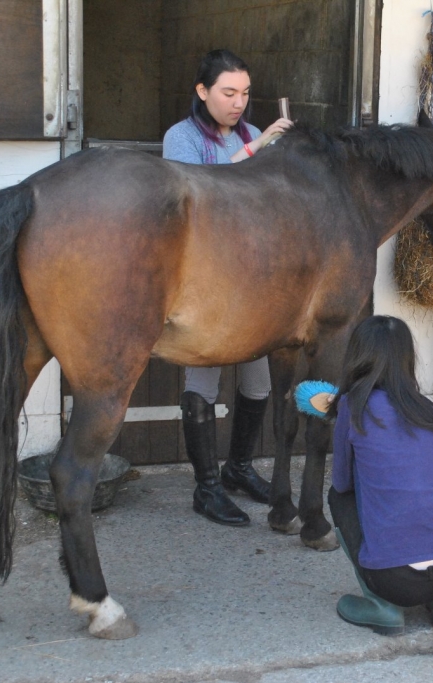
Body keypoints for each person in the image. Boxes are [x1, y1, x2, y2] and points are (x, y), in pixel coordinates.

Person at [162, 49, 292, 526]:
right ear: (203, 92)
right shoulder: (181, 138)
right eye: (228, 92)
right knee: (204, 376)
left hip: (251, 274)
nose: (239, 103)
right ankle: (207, 486)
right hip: (202, 276)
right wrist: (258, 151)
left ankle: (238, 468)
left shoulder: (253, 133)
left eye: (244, 93)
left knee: (258, 379)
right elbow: (197, 193)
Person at [327, 316, 433, 635]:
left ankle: (382, 607)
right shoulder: (425, 410)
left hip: (394, 581)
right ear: (407, 358)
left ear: (358, 356)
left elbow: (342, 483)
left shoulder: (353, 406)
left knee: (337, 496)